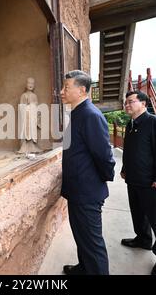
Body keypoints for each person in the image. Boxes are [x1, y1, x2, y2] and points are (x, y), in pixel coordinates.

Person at [60, 70, 115, 275]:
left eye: (67, 87)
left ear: (82, 90)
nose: (61, 91)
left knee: (92, 242)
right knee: (81, 235)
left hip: (87, 190)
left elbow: (104, 156)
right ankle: (84, 268)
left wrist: (101, 179)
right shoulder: (76, 113)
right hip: (78, 189)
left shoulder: (91, 115)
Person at [120, 90, 156, 275]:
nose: (127, 105)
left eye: (131, 101)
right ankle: (143, 239)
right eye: (126, 102)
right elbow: (131, 151)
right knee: (138, 214)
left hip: (152, 183)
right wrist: (125, 169)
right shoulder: (130, 124)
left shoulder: (155, 123)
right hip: (134, 180)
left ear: (143, 104)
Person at [17, 77, 42, 154]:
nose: (30, 85)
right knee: (25, 130)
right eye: (29, 83)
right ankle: (24, 146)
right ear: (26, 84)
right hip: (26, 117)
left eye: (32, 83)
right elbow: (21, 107)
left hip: (32, 116)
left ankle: (32, 146)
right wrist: (26, 106)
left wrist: (33, 106)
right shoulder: (23, 95)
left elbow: (36, 106)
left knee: (32, 130)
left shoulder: (34, 96)